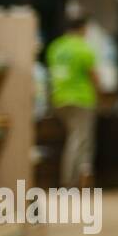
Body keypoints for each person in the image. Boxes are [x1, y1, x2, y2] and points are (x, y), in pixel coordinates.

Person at [46, 14, 99, 188]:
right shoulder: (82, 48)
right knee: (80, 140)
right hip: (81, 99)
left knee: (74, 138)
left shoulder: (56, 46)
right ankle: (71, 181)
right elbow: (94, 76)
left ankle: (78, 178)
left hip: (59, 98)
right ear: (83, 28)